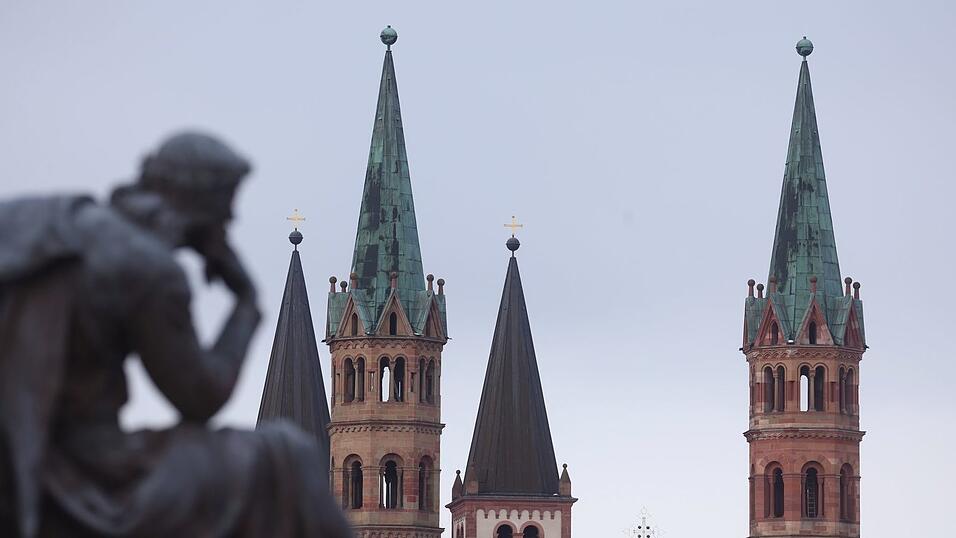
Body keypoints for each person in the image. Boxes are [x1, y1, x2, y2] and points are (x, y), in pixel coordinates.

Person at [0, 132, 352, 538]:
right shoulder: (151, 270)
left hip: (30, 441)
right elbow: (200, 398)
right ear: (200, 209)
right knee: (285, 458)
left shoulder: (47, 219)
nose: (230, 223)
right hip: (83, 466)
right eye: (225, 209)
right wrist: (245, 303)